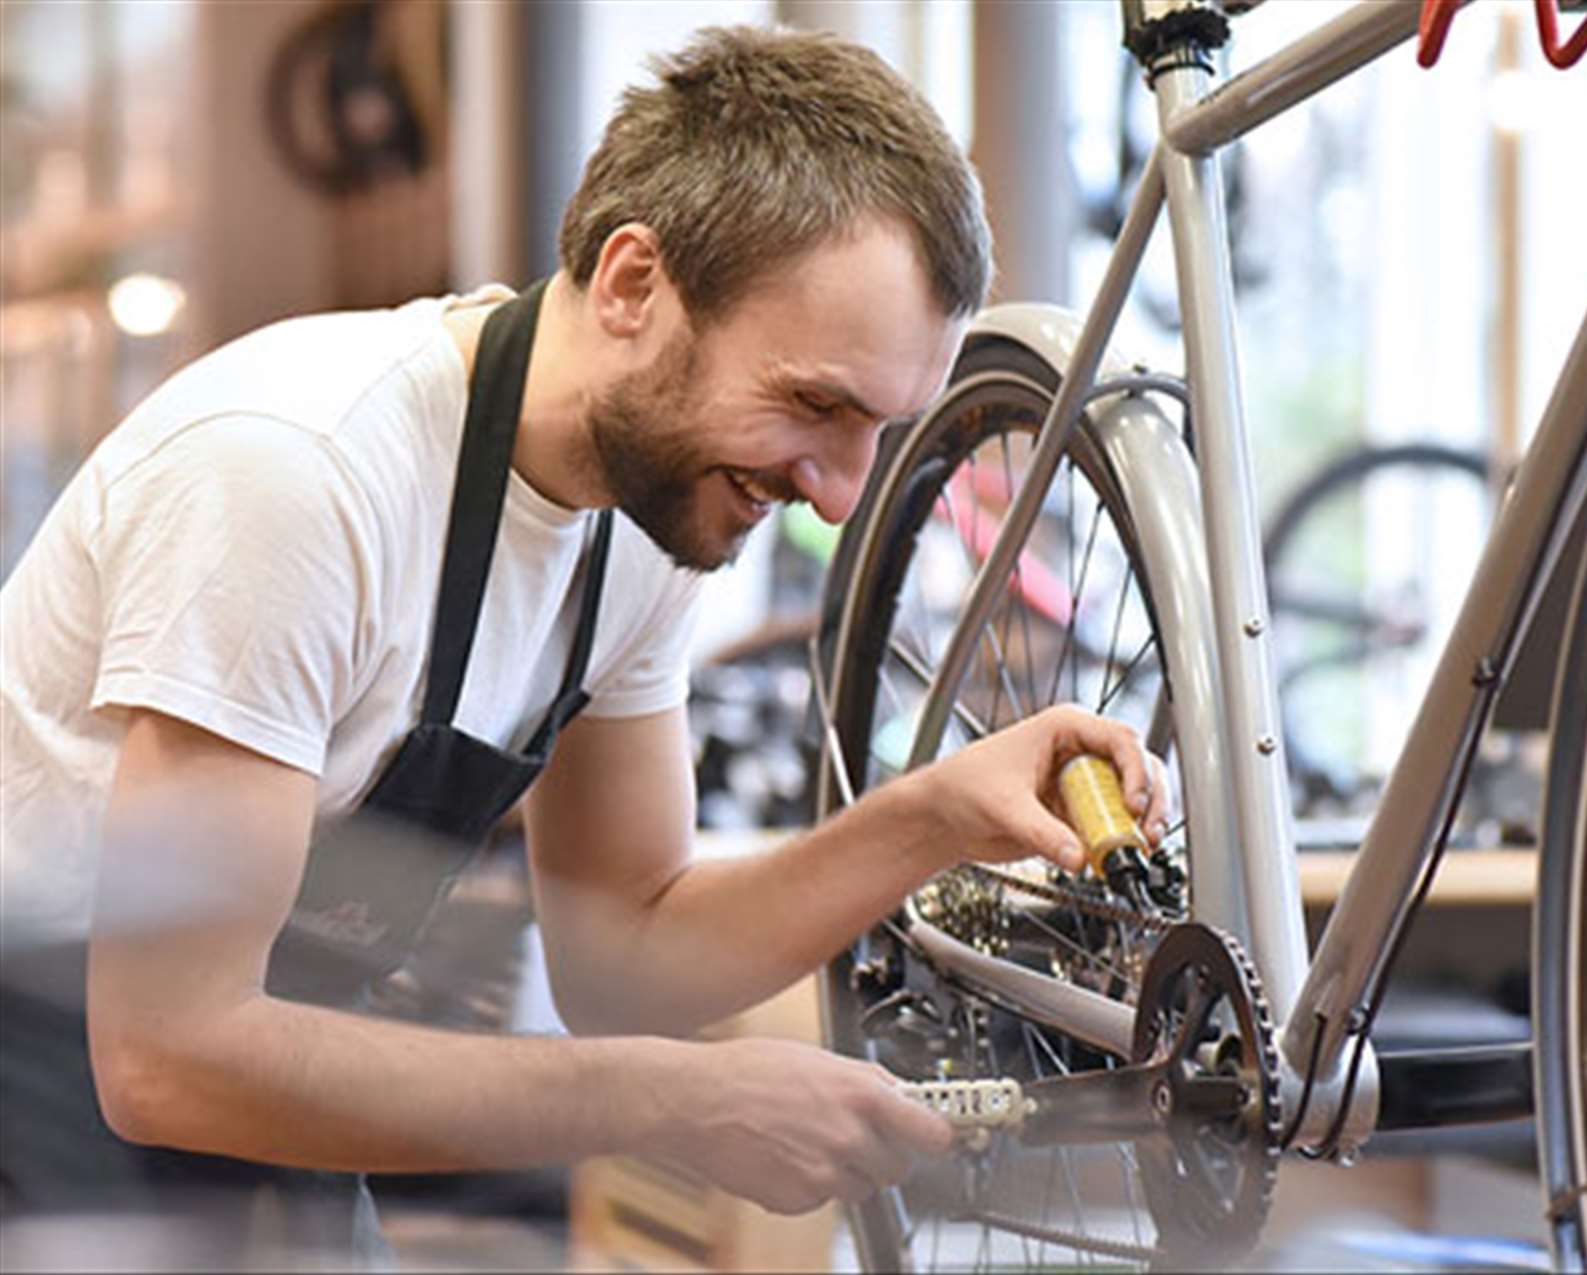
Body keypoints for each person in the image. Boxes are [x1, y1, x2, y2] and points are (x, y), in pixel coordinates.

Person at [0, 24, 1167, 1268]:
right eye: (813, 406)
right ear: (629, 285)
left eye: (879, 428)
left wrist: (929, 815)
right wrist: (668, 1101)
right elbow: (166, 1056)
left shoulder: (634, 526)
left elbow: (626, 947)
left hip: (241, 1108)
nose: (837, 495)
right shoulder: (300, 476)